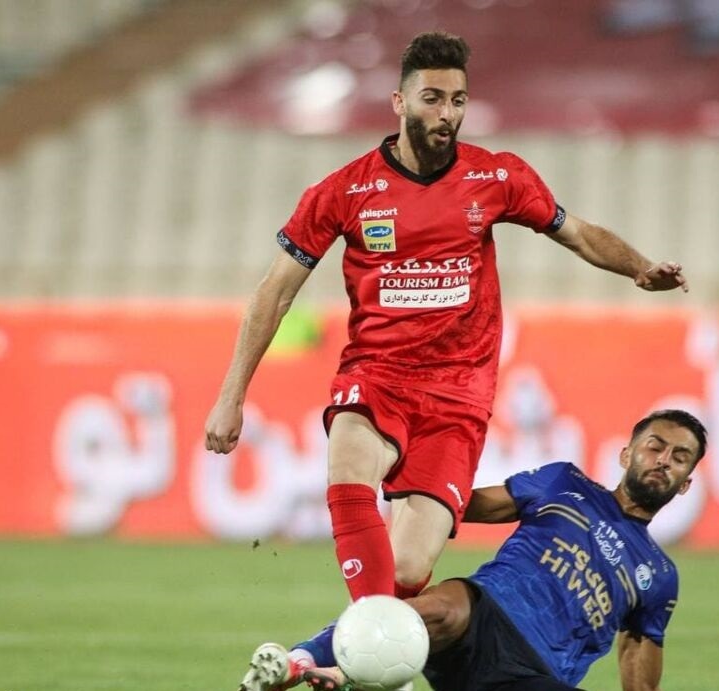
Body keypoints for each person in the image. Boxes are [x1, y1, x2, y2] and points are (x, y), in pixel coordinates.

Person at [203, 31, 688, 607]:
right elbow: (275, 293)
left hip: (459, 392)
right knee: (350, 464)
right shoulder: (344, 191)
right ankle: (364, 637)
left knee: (408, 568)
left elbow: (577, 233)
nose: (447, 113)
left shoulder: (497, 177)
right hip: (377, 374)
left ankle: (355, 643)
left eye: (457, 100)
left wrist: (639, 269)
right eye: (432, 98)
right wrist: (231, 396)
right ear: (400, 102)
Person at [237, 409, 707, 691]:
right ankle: (297, 662)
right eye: (655, 447)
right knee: (430, 608)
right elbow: (463, 505)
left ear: (686, 483)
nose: (663, 460)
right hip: (482, 615)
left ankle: (349, 678)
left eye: (679, 457)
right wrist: (413, 481)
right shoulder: (565, 483)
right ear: (626, 454)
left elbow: (638, 658)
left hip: (537, 674)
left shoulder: (659, 575)